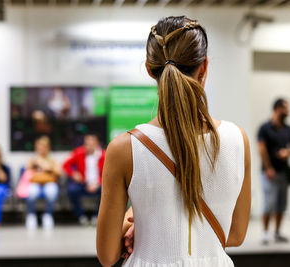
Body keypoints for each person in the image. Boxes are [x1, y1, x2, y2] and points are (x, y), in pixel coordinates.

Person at [96, 16, 251, 267]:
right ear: (204, 66)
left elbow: (107, 254)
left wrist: (136, 221)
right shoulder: (237, 140)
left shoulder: (124, 149)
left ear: (149, 68)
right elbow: (235, 234)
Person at [257, 98, 290, 244]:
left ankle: (277, 232)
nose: (288, 111)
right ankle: (264, 233)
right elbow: (261, 149)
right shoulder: (265, 128)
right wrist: (268, 168)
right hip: (269, 173)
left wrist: (287, 152)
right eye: (286, 108)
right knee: (269, 203)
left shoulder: (289, 129)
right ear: (277, 108)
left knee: (282, 204)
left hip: (284, 173)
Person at [63, 134, 105, 226]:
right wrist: (73, 174)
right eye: (87, 144)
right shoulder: (78, 152)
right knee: (72, 190)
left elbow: (107, 172)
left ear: (97, 144)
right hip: (82, 182)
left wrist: (98, 183)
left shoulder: (104, 155)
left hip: (98, 183)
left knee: (105, 192)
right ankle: (81, 216)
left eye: (92, 144)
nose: (89, 146)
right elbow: (66, 165)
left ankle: (97, 216)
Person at [24, 136, 61, 230]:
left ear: (48, 148)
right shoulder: (32, 160)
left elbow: (59, 173)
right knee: (31, 192)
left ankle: (48, 215)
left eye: (44, 146)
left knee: (52, 192)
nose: (41, 149)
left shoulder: (52, 160)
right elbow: (27, 173)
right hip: (35, 183)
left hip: (49, 183)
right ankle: (31, 215)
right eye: (39, 146)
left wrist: (47, 167)